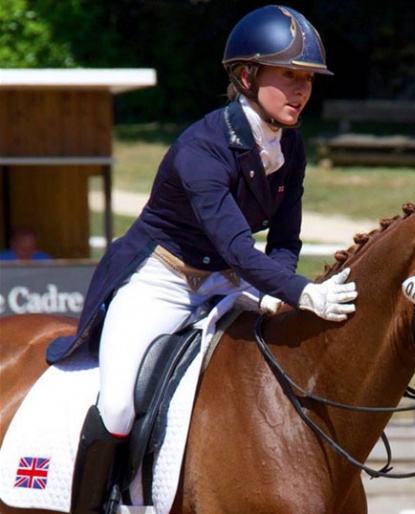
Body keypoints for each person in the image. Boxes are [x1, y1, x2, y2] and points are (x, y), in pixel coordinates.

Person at [44, 5, 357, 513]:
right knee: (119, 404)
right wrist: (301, 292)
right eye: (289, 77)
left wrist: (279, 286)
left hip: (225, 282)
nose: (301, 90)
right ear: (246, 75)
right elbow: (237, 244)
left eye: (307, 80)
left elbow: (284, 239)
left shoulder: (290, 147)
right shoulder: (201, 148)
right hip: (158, 278)